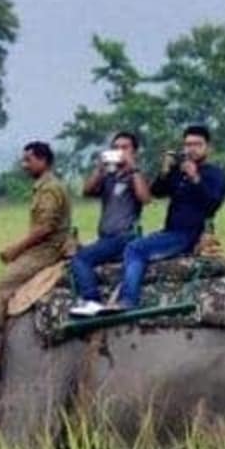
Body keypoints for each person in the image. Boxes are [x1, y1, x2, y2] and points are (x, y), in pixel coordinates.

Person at [113, 124, 225, 310]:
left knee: (135, 249)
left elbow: (212, 204)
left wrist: (195, 178)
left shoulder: (215, 174)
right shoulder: (178, 171)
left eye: (197, 144)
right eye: (187, 144)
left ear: (208, 147)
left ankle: (129, 301)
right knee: (134, 245)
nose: (191, 149)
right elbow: (156, 192)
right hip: (171, 231)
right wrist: (165, 171)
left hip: (190, 234)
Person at [0, 141, 71, 364]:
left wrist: (16, 249)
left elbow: (46, 228)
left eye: (29, 160)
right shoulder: (44, 186)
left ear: (43, 161)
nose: (24, 165)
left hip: (46, 252)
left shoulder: (49, 189)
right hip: (42, 249)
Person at [68, 131, 152, 316]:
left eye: (125, 147)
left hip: (124, 236)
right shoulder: (109, 177)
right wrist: (99, 168)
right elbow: (87, 191)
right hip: (106, 238)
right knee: (76, 256)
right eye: (116, 147)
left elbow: (145, 198)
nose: (120, 151)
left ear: (134, 151)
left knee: (80, 258)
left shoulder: (137, 176)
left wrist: (133, 167)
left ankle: (91, 299)